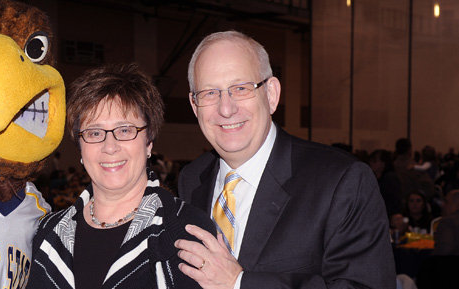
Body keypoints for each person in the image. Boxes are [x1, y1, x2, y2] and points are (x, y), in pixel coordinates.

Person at [174, 30, 395, 288]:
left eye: (241, 88)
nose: (226, 108)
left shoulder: (342, 182)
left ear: (271, 95)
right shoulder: (191, 179)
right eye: (210, 93)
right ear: (193, 104)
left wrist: (240, 283)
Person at [28, 63, 212, 288]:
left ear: (148, 143)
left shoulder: (186, 230)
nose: (110, 146)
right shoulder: (47, 233)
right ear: (80, 149)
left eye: (125, 130)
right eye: (95, 132)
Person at [433, 190, 459, 255]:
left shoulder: (448, 222)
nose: (443, 205)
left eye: (446, 202)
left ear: (456, 204)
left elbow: (445, 250)